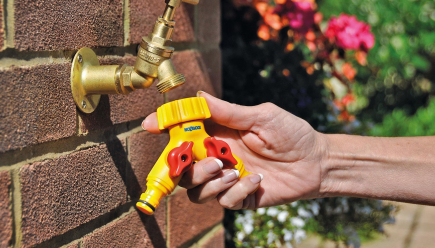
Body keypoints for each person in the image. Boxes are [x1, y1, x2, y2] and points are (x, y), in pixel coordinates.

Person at [142, 91, 435, 210]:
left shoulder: (192, 143)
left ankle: (152, 194)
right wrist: (319, 160)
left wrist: (324, 162)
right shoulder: (206, 143)